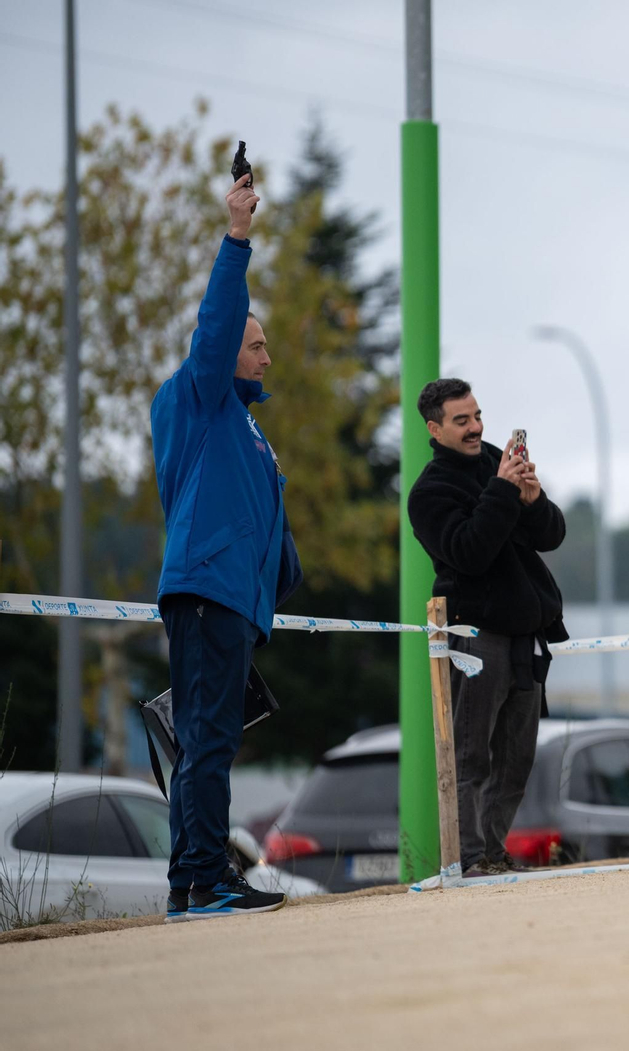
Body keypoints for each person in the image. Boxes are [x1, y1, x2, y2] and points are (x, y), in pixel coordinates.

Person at [151, 172, 302, 921]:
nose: (267, 358)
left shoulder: (246, 432)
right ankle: (209, 880)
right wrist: (237, 234)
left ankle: (191, 883)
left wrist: (269, 597)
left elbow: (276, 548)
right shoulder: (199, 395)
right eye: (258, 343)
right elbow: (219, 320)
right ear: (221, 348)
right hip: (206, 595)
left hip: (229, 605)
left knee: (207, 746)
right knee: (207, 746)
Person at [407, 379, 567, 876]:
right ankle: (469, 859)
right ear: (435, 429)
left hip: (524, 637)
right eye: (462, 420)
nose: (476, 427)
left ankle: (494, 856)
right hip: (474, 637)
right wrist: (501, 491)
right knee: (471, 758)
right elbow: (469, 553)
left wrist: (533, 501)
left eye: (477, 415)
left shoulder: (497, 461)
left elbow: (552, 536)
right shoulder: (429, 492)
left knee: (516, 761)